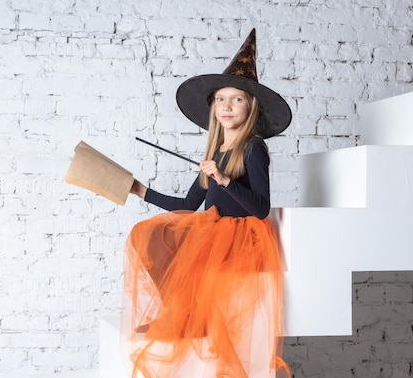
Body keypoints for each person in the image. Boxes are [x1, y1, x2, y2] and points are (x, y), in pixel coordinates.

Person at [121, 29, 292, 378]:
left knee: (190, 250)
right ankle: (180, 313)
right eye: (220, 100)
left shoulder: (252, 148)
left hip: (242, 237)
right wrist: (141, 190)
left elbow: (260, 207)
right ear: (213, 107)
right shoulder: (216, 151)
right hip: (213, 228)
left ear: (251, 106)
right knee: (148, 234)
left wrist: (226, 180)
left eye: (237, 99)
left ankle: (187, 317)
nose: (227, 107)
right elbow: (189, 203)